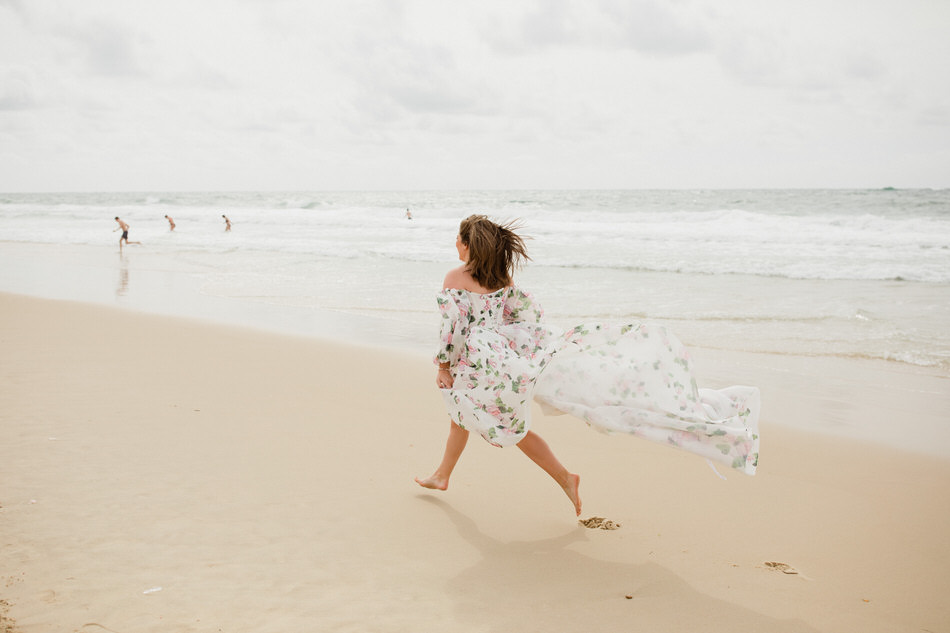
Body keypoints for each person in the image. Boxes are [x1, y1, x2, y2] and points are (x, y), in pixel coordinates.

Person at [415, 215, 760, 516]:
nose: (456, 246)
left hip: (479, 361)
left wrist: (444, 367)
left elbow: (452, 329)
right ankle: (442, 475)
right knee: (461, 417)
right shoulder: (501, 277)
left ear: (466, 244)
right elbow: (524, 316)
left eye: (458, 240)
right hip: (504, 357)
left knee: (502, 426)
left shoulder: (455, 276)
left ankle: (565, 477)